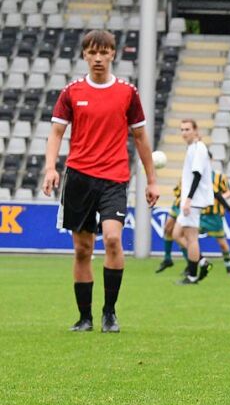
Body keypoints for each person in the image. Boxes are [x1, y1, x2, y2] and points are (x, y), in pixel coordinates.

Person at [42, 29, 159, 332]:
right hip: (79, 178)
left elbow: (141, 137)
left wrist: (152, 180)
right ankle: (85, 317)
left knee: (112, 239)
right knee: (82, 249)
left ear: (113, 54)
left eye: (103, 52)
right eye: (92, 52)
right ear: (84, 55)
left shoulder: (127, 93)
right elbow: (56, 133)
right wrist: (50, 169)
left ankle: (109, 312)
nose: (97, 58)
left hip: (114, 178)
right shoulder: (71, 92)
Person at [173, 119, 213, 285]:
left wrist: (188, 200)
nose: (184, 132)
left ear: (195, 130)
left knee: (191, 239)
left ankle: (192, 275)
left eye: (187, 129)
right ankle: (202, 262)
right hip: (189, 200)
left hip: (193, 200)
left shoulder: (198, 148)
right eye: (182, 129)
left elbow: (197, 175)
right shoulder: (192, 147)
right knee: (175, 234)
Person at [199, 164, 230, 274]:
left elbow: (229, 192)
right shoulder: (196, 175)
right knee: (187, 237)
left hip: (215, 215)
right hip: (199, 214)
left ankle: (229, 267)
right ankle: (195, 265)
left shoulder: (219, 176)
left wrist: (221, 198)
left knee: (222, 243)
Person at [155, 181, 181, 272]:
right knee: (168, 229)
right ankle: (167, 259)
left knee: (181, 235)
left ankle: (193, 264)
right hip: (178, 203)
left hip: (187, 202)